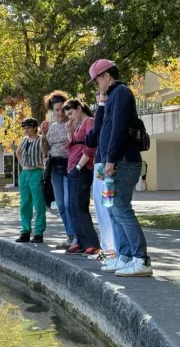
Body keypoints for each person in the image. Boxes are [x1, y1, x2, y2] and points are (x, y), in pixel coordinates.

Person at [89, 58, 152, 276]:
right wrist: (101, 104)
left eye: (97, 81)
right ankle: (124, 256)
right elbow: (98, 132)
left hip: (122, 162)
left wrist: (111, 160)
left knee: (121, 209)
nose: (97, 86)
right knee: (113, 210)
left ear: (107, 76)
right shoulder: (111, 97)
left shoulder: (122, 93)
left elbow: (119, 130)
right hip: (112, 163)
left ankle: (141, 259)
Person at [63, 99, 100, 256]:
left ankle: (91, 243)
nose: (70, 117)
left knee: (79, 206)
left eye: (71, 113)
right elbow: (71, 146)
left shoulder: (89, 121)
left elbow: (90, 146)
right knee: (71, 207)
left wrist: (79, 166)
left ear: (79, 108)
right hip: (73, 168)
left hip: (82, 169)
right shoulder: (77, 126)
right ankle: (80, 240)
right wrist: (70, 130)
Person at [85, 92, 116, 261]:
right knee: (100, 205)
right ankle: (107, 247)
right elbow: (91, 139)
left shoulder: (107, 111)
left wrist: (102, 105)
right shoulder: (102, 112)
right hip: (100, 164)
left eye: (100, 94)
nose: (98, 96)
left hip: (106, 165)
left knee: (107, 205)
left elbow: (94, 133)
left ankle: (113, 249)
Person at [43, 90, 76, 250]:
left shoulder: (73, 123)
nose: (60, 112)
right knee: (61, 204)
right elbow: (44, 150)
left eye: (62, 109)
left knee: (70, 203)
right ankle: (70, 237)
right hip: (55, 167)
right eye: (56, 109)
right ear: (52, 111)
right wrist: (43, 135)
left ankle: (77, 236)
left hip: (69, 165)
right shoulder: (51, 128)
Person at [15, 118, 47, 243]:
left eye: (28, 127)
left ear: (35, 128)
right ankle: (25, 231)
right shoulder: (23, 140)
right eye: (24, 128)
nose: (26, 130)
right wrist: (22, 164)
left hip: (36, 172)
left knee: (38, 203)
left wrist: (42, 166)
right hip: (24, 173)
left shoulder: (40, 139)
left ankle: (38, 232)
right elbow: (18, 152)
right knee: (24, 203)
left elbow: (45, 153)